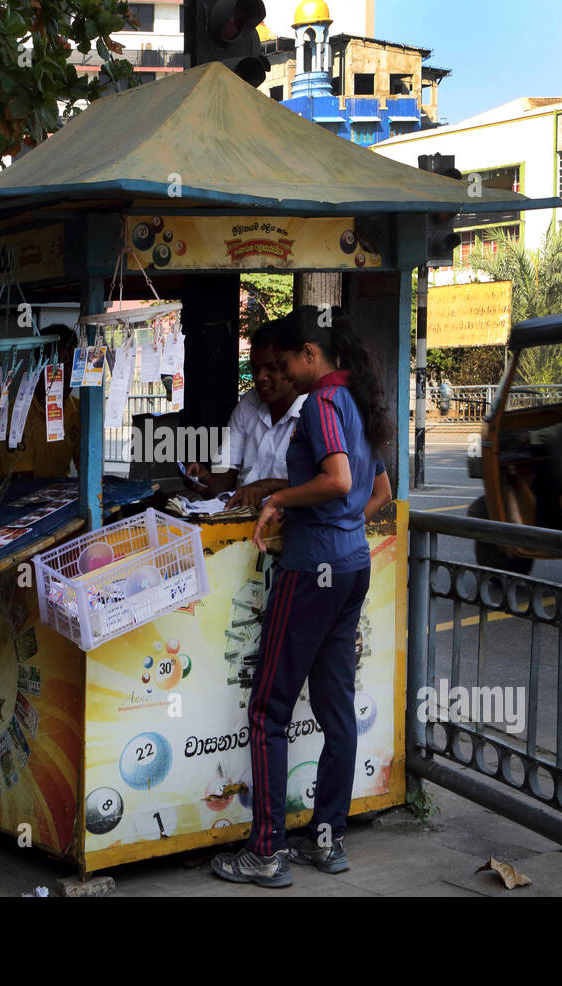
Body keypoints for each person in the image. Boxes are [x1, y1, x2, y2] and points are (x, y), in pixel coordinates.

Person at [210, 308, 394, 888]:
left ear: (309, 355)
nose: (281, 374)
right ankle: (328, 839)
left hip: (312, 569)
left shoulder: (321, 404)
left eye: (285, 362)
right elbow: (378, 488)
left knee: (268, 709)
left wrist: (282, 502)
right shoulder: (359, 400)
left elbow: (339, 478)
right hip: (351, 565)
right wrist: (343, 531)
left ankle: (265, 852)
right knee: (337, 709)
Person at [182, 323, 305, 509]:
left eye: (271, 368)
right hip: (240, 519)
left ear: (291, 366)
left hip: (289, 525)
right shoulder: (249, 403)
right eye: (255, 368)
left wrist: (269, 487)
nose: (260, 377)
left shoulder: (313, 411)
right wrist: (204, 480)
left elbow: (326, 488)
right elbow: (224, 481)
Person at [0, 324, 81, 478]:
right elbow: (22, 483)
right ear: (39, 367)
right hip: (15, 497)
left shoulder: (78, 410)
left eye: (71, 367)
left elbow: (87, 470)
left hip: (59, 496)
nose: (67, 375)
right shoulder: (16, 414)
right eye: (58, 368)